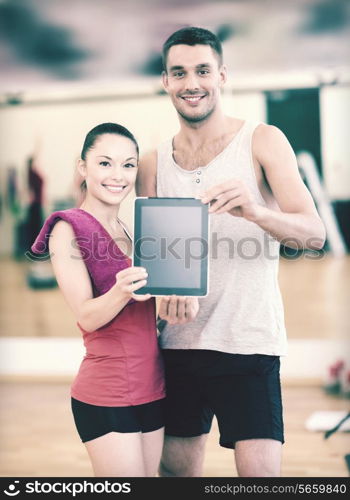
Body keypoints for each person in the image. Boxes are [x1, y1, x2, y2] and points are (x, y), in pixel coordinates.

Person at [136, 27, 326, 477]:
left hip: (248, 343)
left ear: (221, 75)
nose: (191, 83)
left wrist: (257, 212)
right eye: (179, 73)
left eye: (202, 70)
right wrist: (159, 290)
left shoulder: (263, 140)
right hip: (177, 347)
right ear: (166, 81)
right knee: (177, 476)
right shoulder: (152, 162)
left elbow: (314, 234)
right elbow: (151, 260)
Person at [31, 122, 166, 477]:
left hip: (153, 386)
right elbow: (87, 316)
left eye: (128, 164)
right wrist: (122, 291)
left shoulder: (130, 229)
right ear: (83, 168)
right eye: (105, 163)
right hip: (107, 392)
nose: (118, 175)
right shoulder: (68, 227)